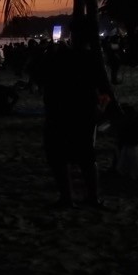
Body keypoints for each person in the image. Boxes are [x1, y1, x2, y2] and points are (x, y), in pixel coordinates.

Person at [41, 16, 112, 208]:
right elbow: (104, 89)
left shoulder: (62, 56)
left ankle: (68, 198)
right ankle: (92, 197)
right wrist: (100, 111)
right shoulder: (92, 58)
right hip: (84, 112)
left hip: (62, 112)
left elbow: (47, 81)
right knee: (86, 156)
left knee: (60, 156)